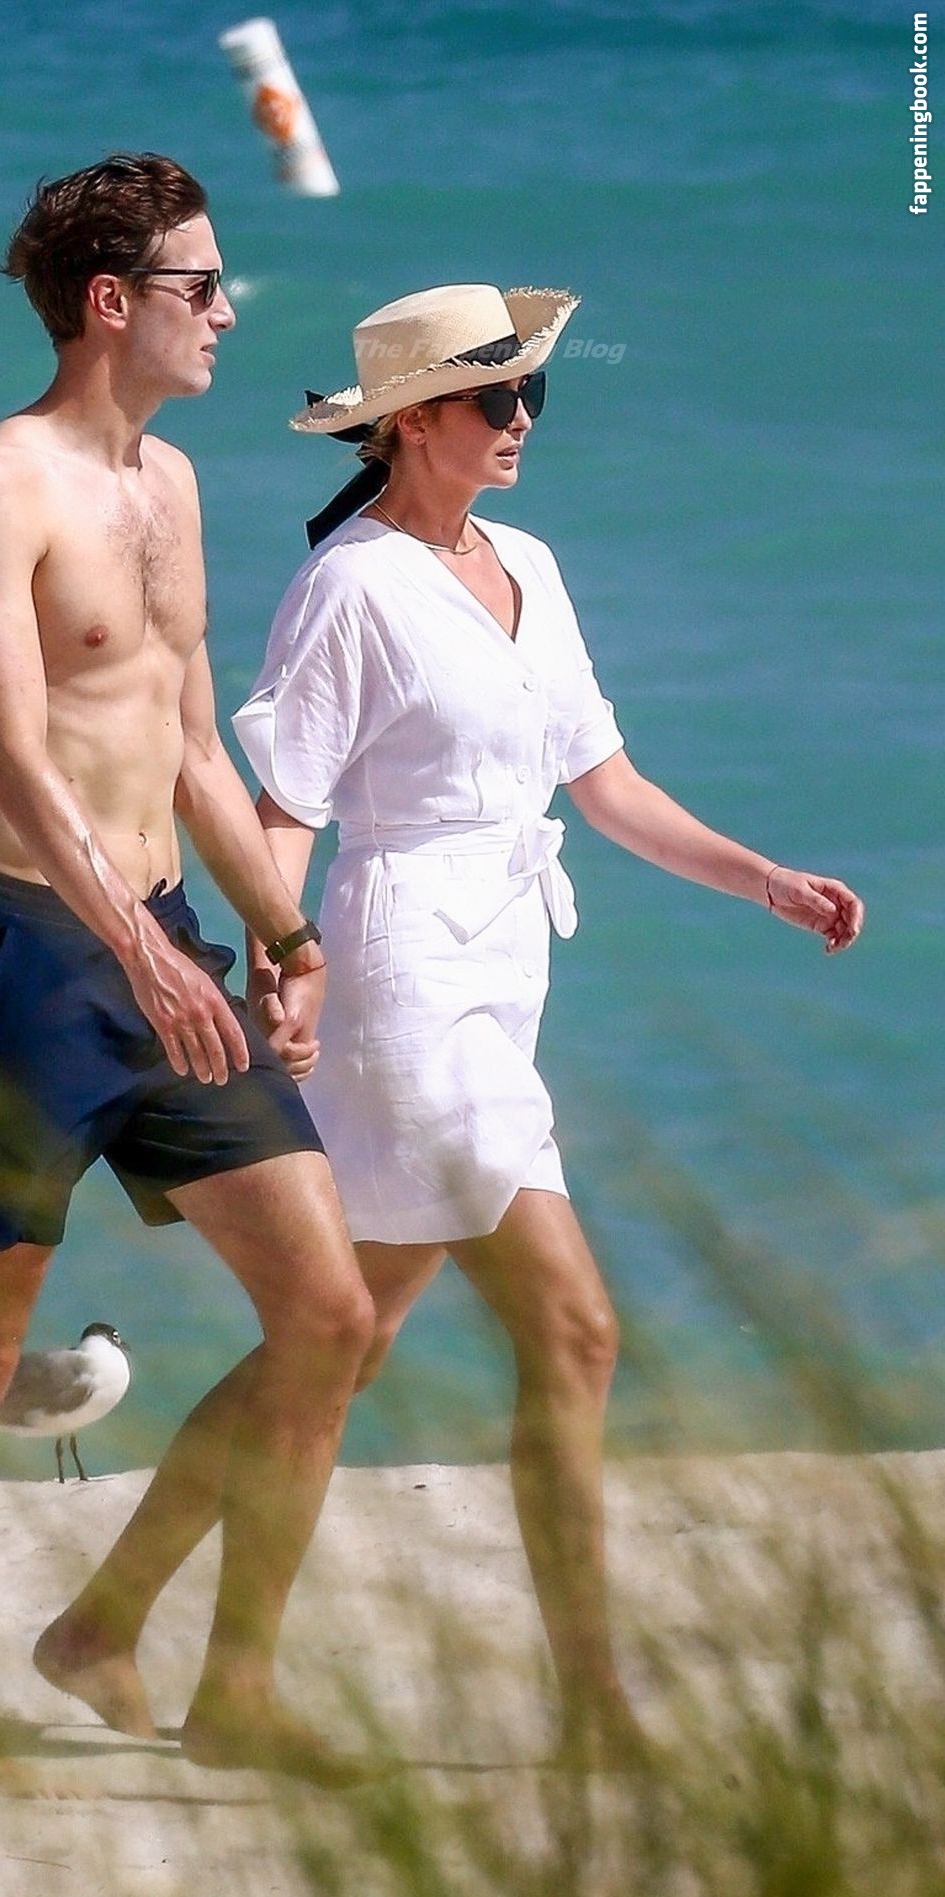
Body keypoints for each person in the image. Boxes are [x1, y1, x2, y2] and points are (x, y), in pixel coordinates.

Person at [224, 281, 866, 1764]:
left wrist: (765, 880)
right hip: (400, 979)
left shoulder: (528, 563)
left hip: (505, 971)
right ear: (410, 423)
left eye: (531, 396)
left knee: (339, 1341)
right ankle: (593, 1706)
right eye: (496, 398)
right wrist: (284, 959)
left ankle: (143, 1631)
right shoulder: (350, 588)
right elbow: (282, 807)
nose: (522, 421)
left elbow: (606, 785)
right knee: (570, 1329)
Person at [0, 153, 379, 1795]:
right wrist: (129, 943)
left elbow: (190, 747)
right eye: (201, 286)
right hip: (23, 967)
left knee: (328, 1317)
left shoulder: (172, 486)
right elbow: (10, 756)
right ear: (113, 303)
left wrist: (287, 938)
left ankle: (214, 1676)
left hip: (164, 950)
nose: (228, 313)